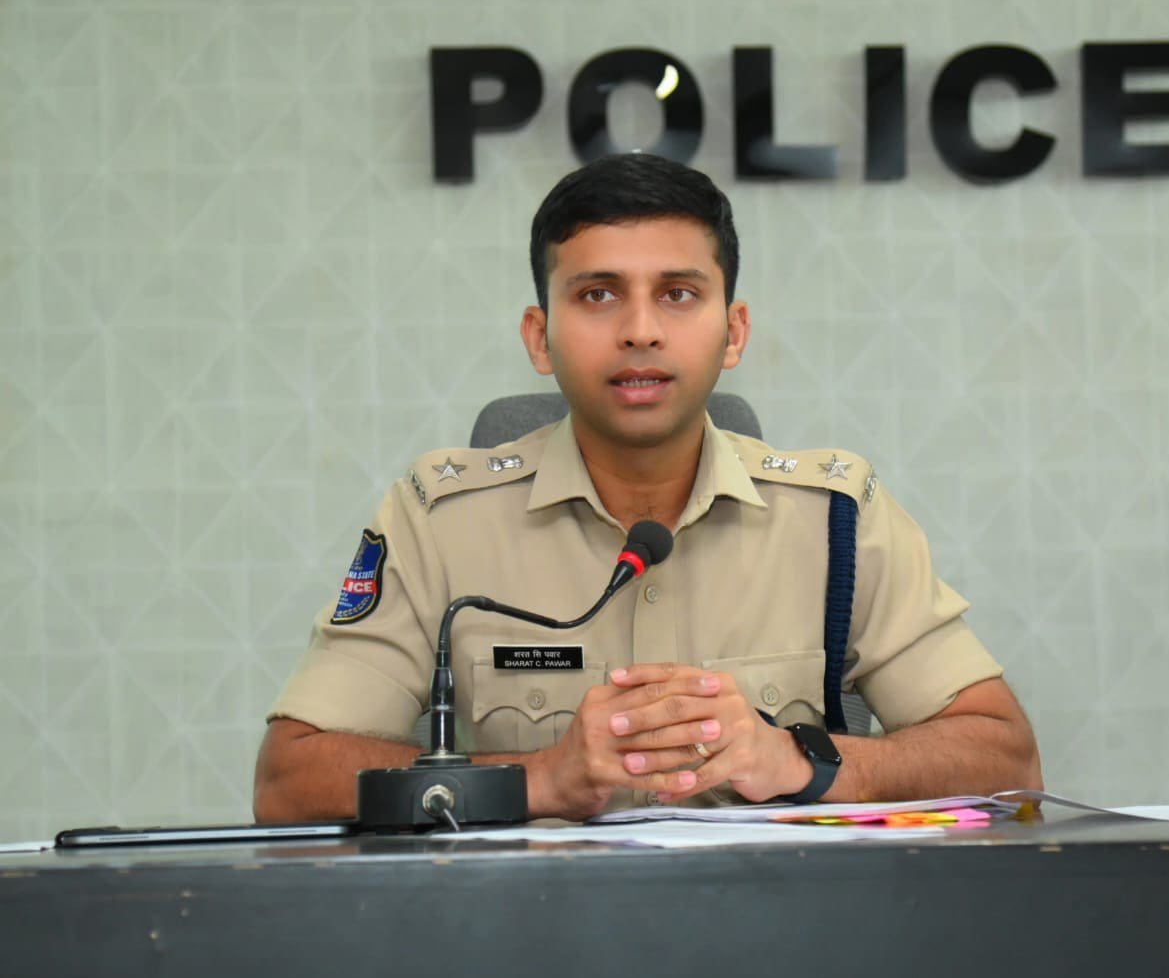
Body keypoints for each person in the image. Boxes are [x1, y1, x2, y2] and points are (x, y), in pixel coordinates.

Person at [254, 153, 1040, 823]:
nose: (640, 329)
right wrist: (542, 779)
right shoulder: (440, 519)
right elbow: (290, 779)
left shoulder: (835, 515)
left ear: (733, 332)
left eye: (678, 294)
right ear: (540, 337)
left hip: (782, 929)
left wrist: (795, 759)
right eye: (598, 294)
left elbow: (1006, 758)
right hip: (525, 936)